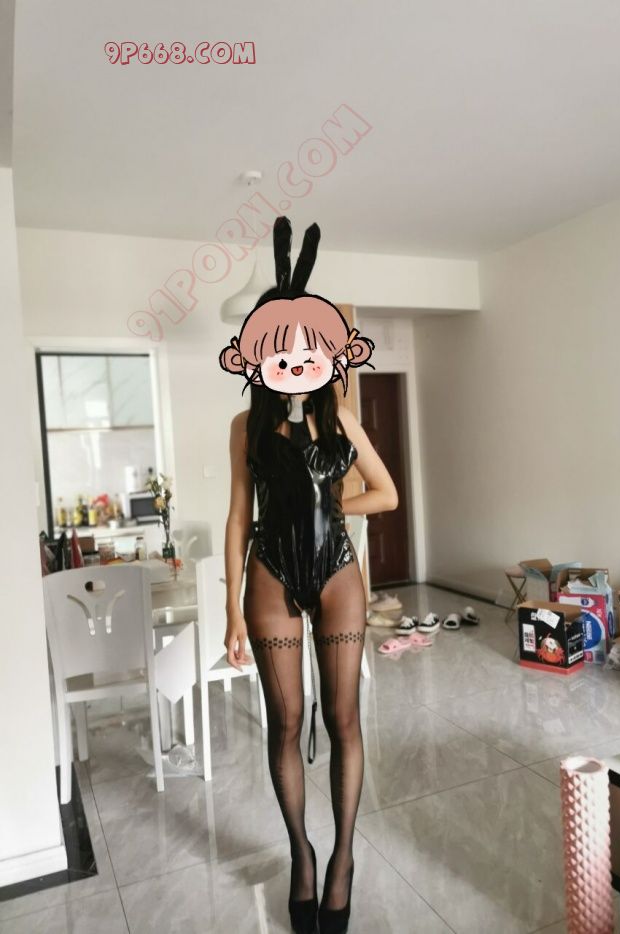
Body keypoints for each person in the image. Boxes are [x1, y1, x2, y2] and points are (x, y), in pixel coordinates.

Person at [220, 217, 398, 933]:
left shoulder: (342, 416)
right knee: (286, 722)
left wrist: (331, 502)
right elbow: (239, 516)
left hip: (336, 575)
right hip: (269, 573)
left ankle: (342, 860)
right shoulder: (246, 427)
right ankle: (301, 854)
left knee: (343, 718)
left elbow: (386, 494)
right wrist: (231, 611)